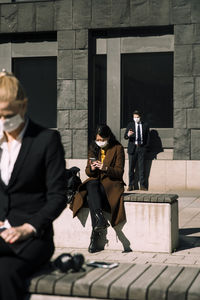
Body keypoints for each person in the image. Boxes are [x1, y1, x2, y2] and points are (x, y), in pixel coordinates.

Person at [0, 70, 66, 300]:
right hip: (2, 235)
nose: (3, 121)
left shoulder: (46, 140)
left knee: (5, 274)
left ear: (23, 106)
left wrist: (28, 227)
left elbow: (58, 196)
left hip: (32, 238)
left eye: (7, 114)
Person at [71, 124, 125, 253]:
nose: (99, 142)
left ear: (108, 137)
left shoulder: (118, 148)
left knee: (90, 195)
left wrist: (105, 167)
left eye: (102, 140)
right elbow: (88, 172)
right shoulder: (93, 148)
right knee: (91, 185)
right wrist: (92, 168)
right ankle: (99, 219)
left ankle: (94, 237)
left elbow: (119, 172)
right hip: (96, 184)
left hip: (111, 185)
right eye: (98, 139)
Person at [124, 110, 150, 191]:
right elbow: (125, 136)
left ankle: (142, 185)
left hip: (141, 148)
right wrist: (128, 134)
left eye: (137, 117)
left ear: (140, 117)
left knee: (141, 168)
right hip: (133, 148)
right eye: (134, 117)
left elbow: (148, 137)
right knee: (131, 168)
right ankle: (131, 185)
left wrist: (145, 147)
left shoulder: (145, 125)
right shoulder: (130, 125)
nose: (136, 119)